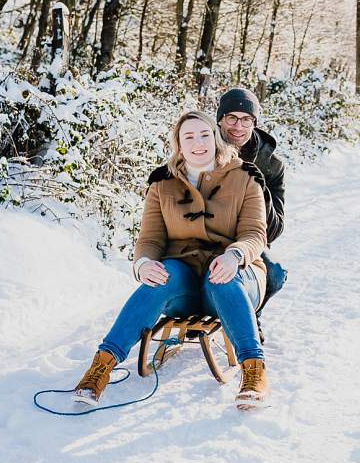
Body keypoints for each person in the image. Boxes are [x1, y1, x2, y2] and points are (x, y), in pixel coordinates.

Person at [72, 110, 270, 410]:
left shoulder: (245, 177)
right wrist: (143, 264)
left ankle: (254, 372)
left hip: (237, 274)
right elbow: (149, 240)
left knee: (224, 279)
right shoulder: (162, 183)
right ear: (178, 144)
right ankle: (100, 368)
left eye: (204, 134)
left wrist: (235, 255)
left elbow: (255, 233)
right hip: (185, 280)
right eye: (188, 136)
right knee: (162, 276)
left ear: (216, 137)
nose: (198, 142)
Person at [215, 88, 287, 304]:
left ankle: (252, 313)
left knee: (275, 273)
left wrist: (258, 186)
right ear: (220, 120)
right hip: (204, 234)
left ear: (254, 123)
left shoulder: (272, 166)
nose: (238, 127)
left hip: (248, 239)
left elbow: (274, 231)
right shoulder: (202, 148)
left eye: (246, 120)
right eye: (232, 118)